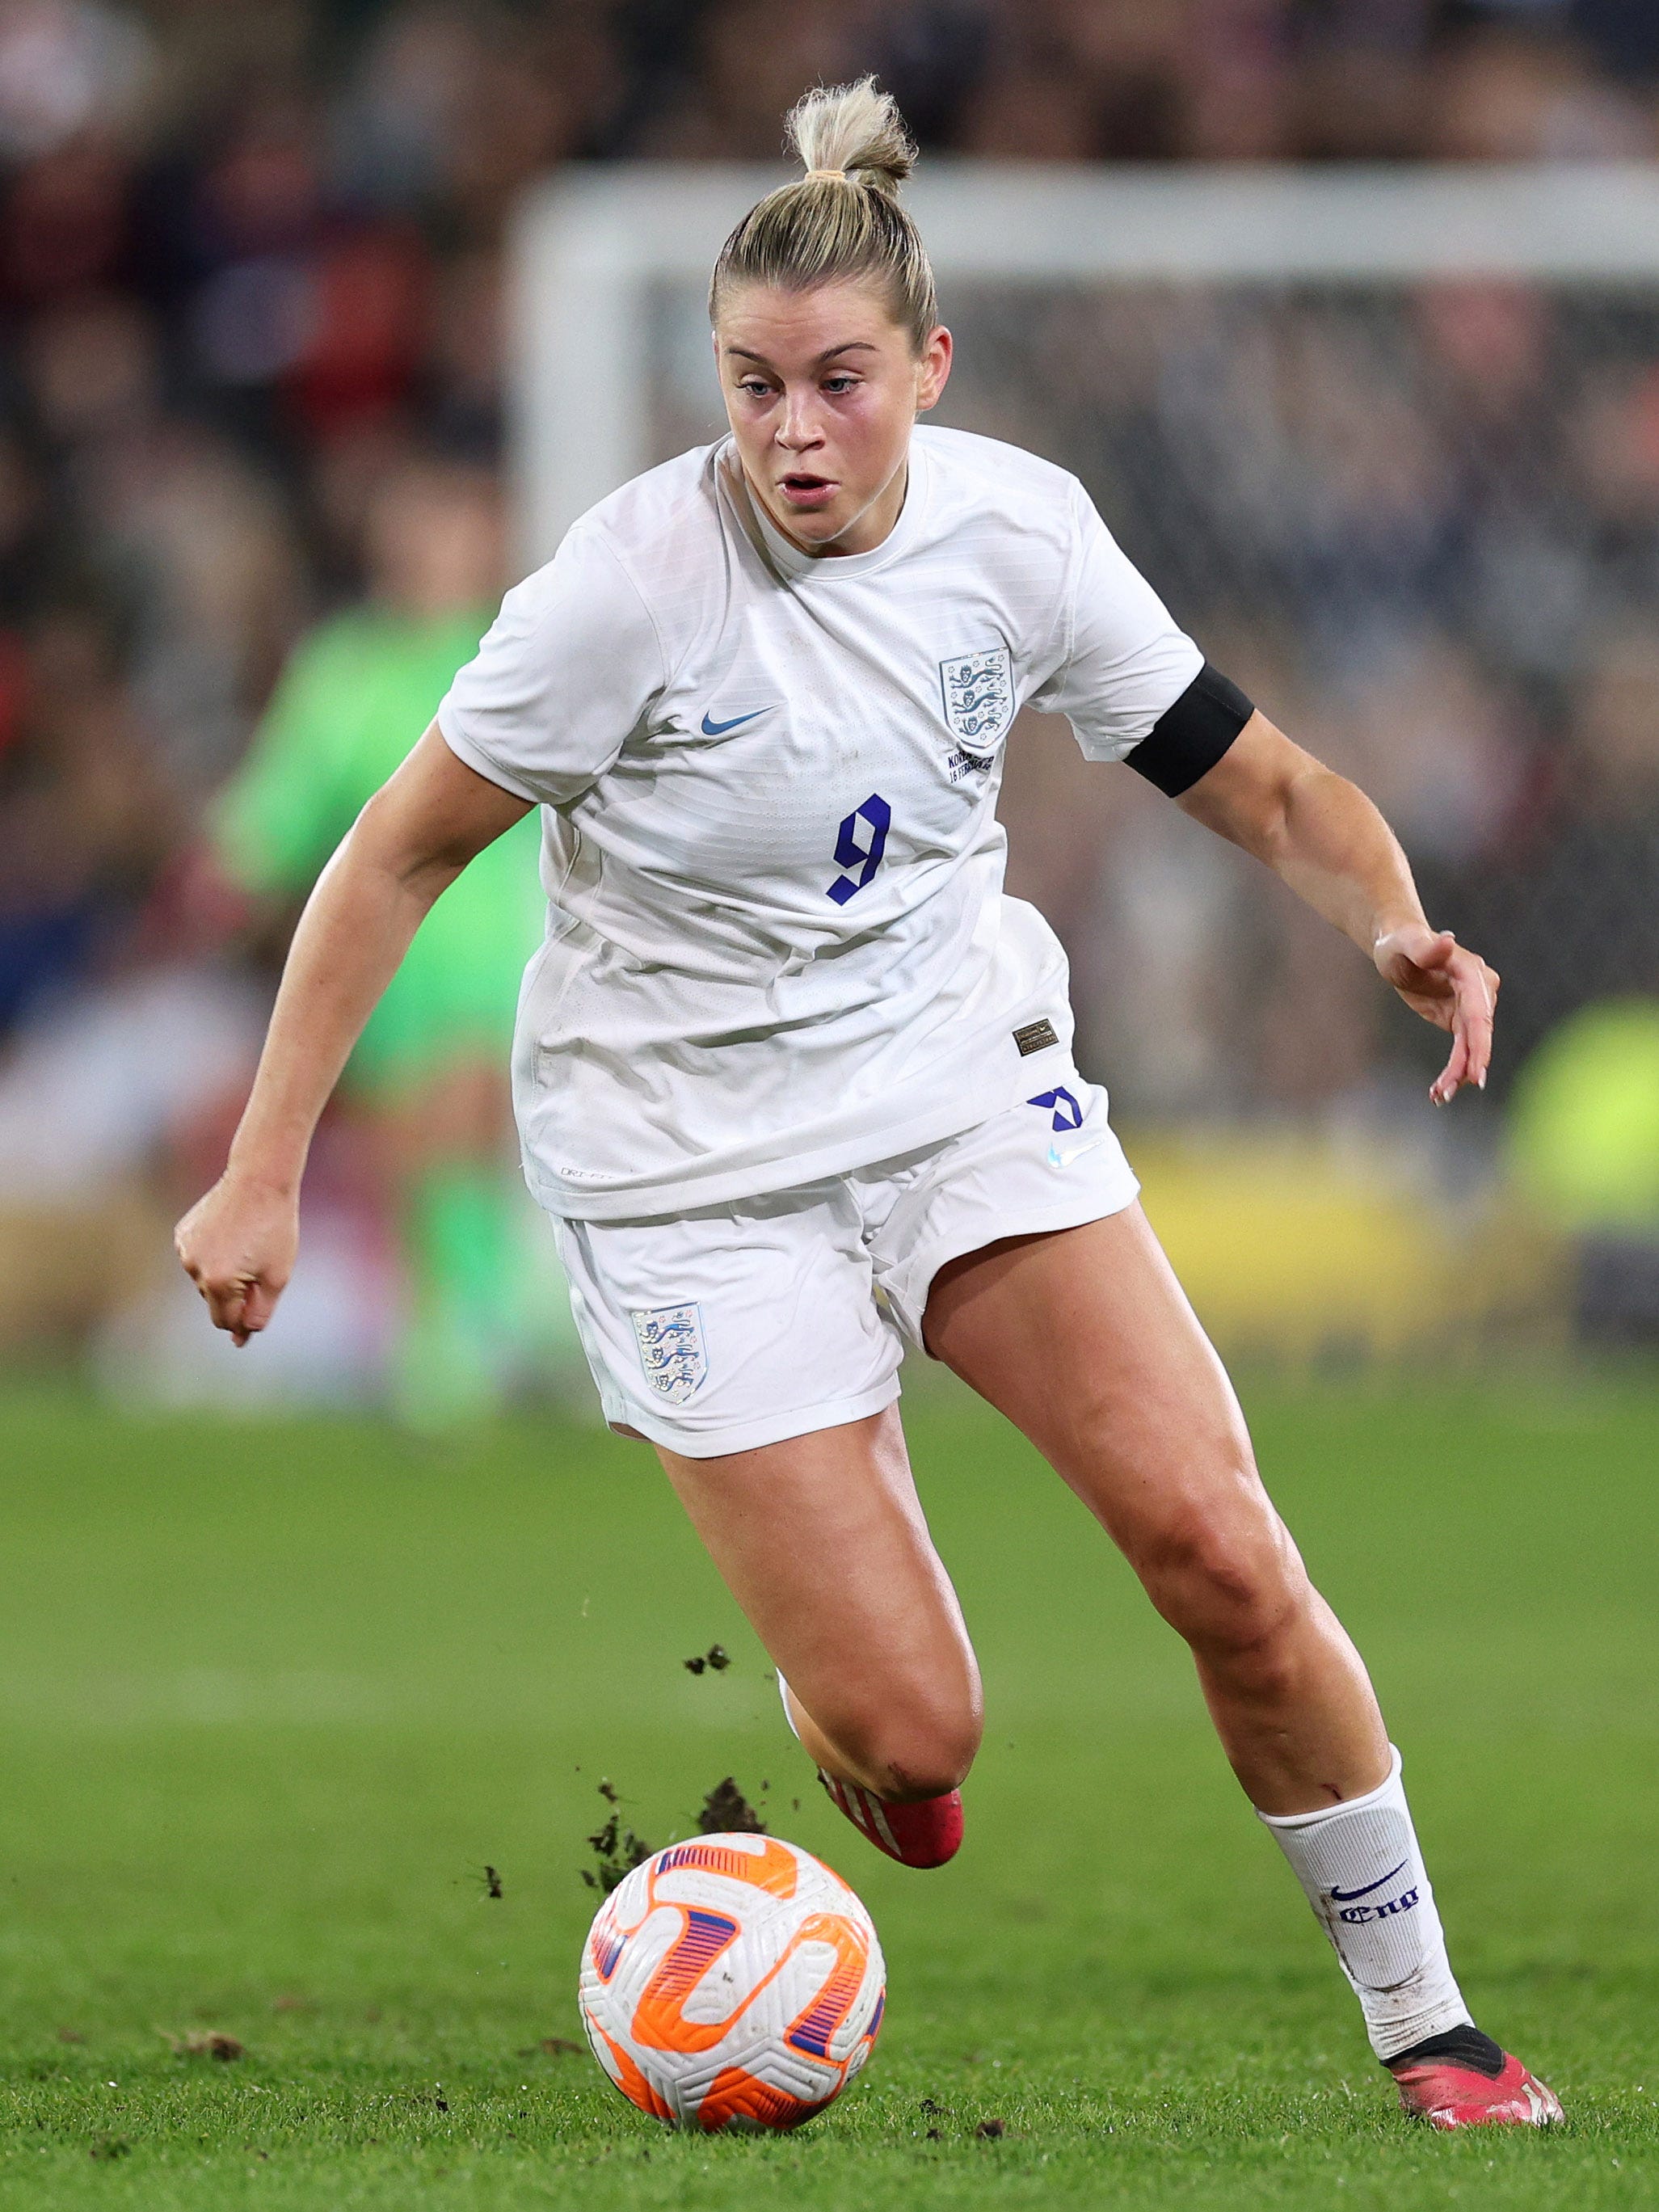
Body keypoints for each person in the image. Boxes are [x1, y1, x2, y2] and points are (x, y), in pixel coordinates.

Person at [175, 82, 1558, 2130]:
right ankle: (871, 1705)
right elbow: (388, 855)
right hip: (686, 1177)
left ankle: (1429, 2022)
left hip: (954, 1099)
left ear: (927, 366)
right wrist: (261, 1172)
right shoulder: (624, 588)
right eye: (750, 388)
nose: (792, 433)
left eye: (836, 383)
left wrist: (1389, 922)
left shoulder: (1021, 534)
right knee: (916, 1737)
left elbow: (1259, 779)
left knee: (1217, 1546)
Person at [203, 452, 554, 1423]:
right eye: (417, 526)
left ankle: (492, 1331)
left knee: (468, 1117)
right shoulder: (346, 667)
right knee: (416, 1153)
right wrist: (235, 864)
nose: (436, 547)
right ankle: (447, 1346)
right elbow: (290, 788)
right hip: (388, 955)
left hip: (513, 938)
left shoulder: (524, 648)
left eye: (454, 524)